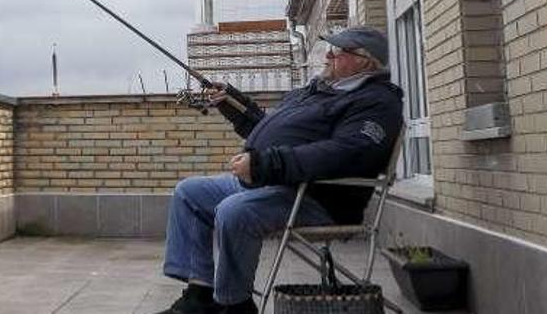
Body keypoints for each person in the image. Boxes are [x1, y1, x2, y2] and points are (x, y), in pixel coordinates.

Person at [155, 26, 405, 314]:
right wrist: (234, 105)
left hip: (314, 198)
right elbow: (268, 129)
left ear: (364, 61)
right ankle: (200, 297)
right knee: (189, 193)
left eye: (337, 51)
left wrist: (265, 165)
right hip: (275, 184)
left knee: (235, 211)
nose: (328, 55)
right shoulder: (315, 92)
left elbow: (346, 154)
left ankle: (236, 305)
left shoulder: (377, 103)